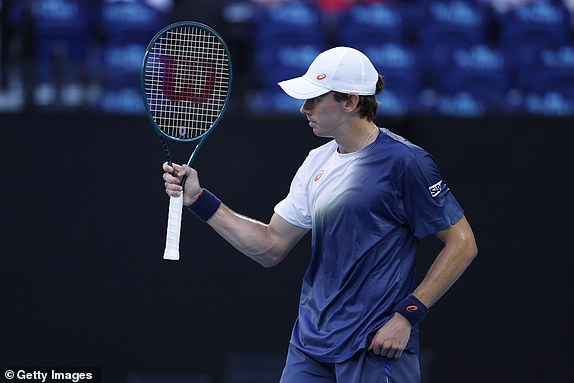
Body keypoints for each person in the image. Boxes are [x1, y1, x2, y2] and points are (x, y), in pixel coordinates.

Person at [162, 46, 478, 383]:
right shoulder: (316, 161)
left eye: (314, 99)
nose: (303, 108)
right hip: (310, 348)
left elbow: (462, 243)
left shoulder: (407, 163)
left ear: (350, 101)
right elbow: (271, 246)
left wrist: (407, 315)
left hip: (374, 346)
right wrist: (199, 201)